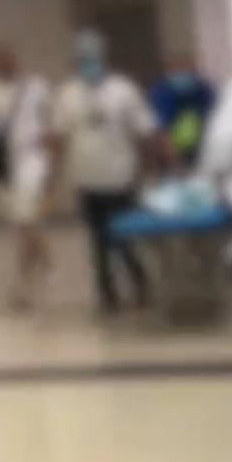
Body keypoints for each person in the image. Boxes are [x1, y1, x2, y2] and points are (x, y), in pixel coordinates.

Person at [53, 30, 158, 312]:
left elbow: (144, 130)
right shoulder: (68, 94)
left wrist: (150, 168)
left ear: (104, 58)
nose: (88, 63)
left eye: (93, 58)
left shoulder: (123, 90)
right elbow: (59, 136)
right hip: (86, 179)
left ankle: (140, 283)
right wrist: (53, 176)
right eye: (83, 59)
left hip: (120, 178)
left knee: (123, 238)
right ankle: (106, 294)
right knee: (97, 241)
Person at [0, 44, 52, 308]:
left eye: (8, 60)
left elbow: (49, 120)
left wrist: (50, 155)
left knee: (25, 220)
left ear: (16, 61)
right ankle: (43, 257)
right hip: (4, 164)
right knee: (23, 224)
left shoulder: (35, 87)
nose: (5, 65)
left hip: (32, 160)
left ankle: (23, 287)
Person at [149, 55, 216, 168]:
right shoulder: (162, 93)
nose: (182, 74)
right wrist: (174, 160)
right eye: (177, 69)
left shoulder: (204, 90)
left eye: (185, 69)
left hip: (204, 150)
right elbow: (161, 129)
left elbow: (213, 120)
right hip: (174, 154)